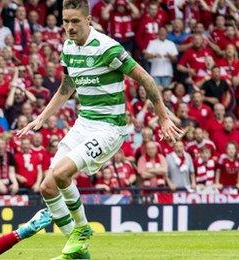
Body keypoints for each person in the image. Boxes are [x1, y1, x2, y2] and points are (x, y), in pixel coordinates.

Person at [18, 0, 183, 258]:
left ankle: (82, 230)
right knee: (47, 187)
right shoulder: (68, 48)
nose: (69, 27)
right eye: (65, 21)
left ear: (88, 21)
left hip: (109, 128)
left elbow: (146, 79)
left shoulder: (108, 48)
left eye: (75, 21)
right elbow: (65, 89)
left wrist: (162, 117)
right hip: (84, 124)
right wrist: (41, 117)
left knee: (62, 174)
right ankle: (78, 251)